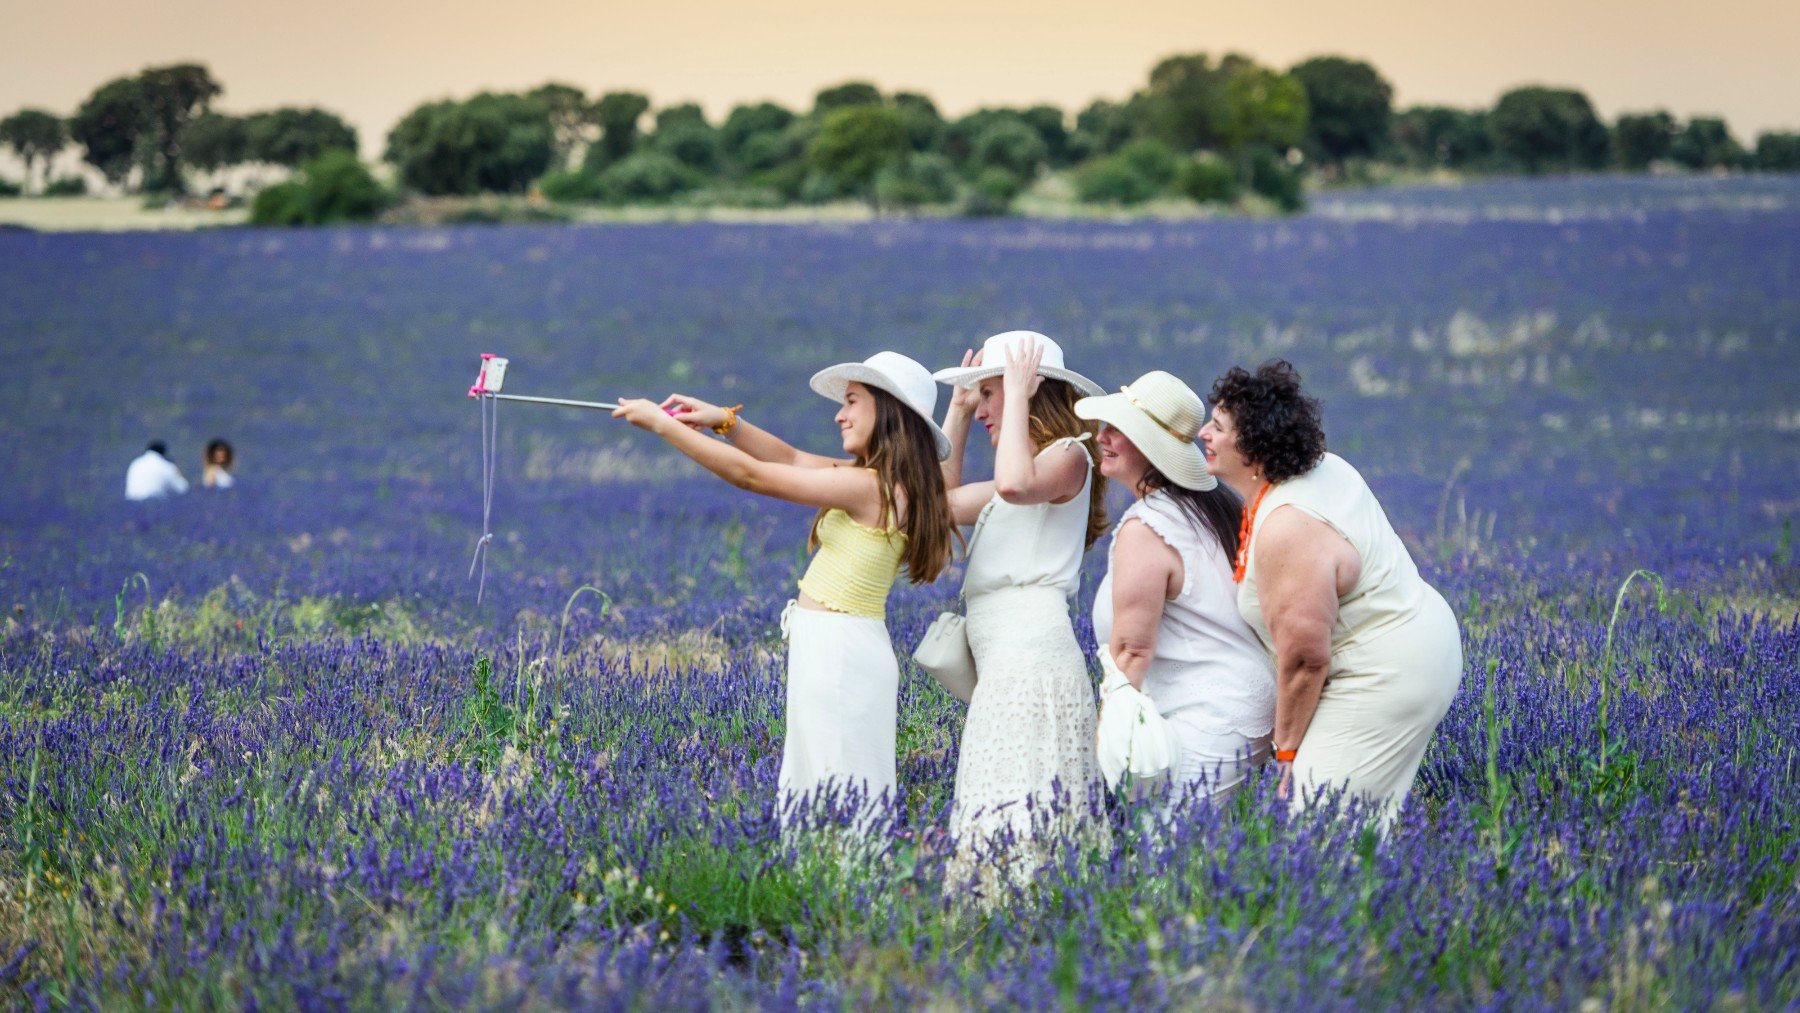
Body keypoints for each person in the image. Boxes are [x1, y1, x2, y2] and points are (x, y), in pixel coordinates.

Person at [612, 352, 955, 826]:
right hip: (836, 651)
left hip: (842, 657)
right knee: (823, 790)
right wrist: (724, 421)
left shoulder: (872, 488)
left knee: (839, 795)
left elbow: (751, 476)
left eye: (852, 401)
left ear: (890, 411)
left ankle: (843, 895)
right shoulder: (883, 482)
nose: (839, 413)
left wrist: (664, 427)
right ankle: (830, 893)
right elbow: (790, 458)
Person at [1201, 360, 1463, 828]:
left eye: (1218, 427)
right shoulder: (1322, 468)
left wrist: (1286, 750)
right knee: (1358, 825)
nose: (1204, 433)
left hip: (1385, 672)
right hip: (1419, 641)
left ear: (1252, 448)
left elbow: (1305, 660)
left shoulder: (1288, 528)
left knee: (1320, 828)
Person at [933, 330, 1108, 889]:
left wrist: (1015, 395)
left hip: (1031, 667)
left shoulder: (1069, 457)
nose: (985, 408)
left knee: (1028, 802)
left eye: (991, 395)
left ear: (1029, 389)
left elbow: (1012, 483)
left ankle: (1031, 924)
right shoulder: (1024, 472)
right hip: (1003, 670)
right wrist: (957, 413)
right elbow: (938, 506)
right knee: (996, 801)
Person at [1075, 371, 1275, 807]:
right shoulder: (1207, 506)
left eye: (1118, 430)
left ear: (1148, 444)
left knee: (1166, 855)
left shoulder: (1147, 526)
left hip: (1210, 717)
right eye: (1104, 427)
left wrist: (1110, 732)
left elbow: (1131, 650)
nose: (1102, 438)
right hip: (1246, 703)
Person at [125, 441, 189, 501]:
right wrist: (178, 472)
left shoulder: (135, 463)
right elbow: (182, 488)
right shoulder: (165, 466)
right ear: (164, 453)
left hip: (130, 504)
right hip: (155, 504)